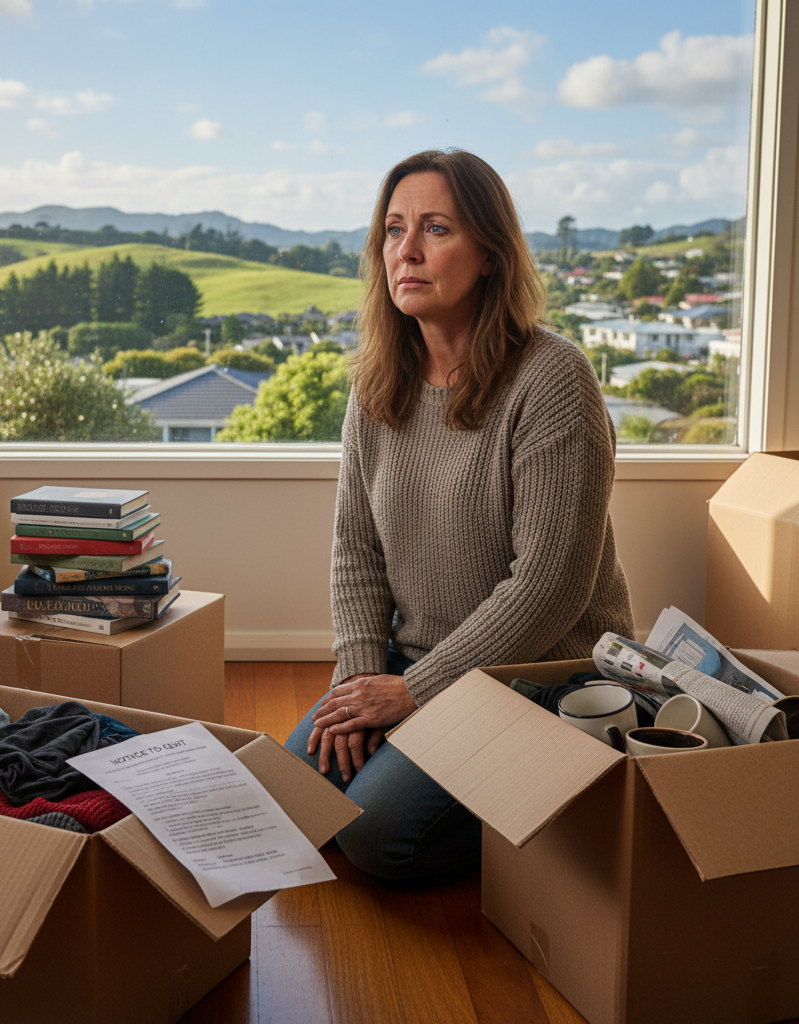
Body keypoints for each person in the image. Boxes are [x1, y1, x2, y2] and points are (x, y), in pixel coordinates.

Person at [284, 149, 635, 881]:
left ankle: (585, 799)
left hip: (537, 676)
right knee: (297, 796)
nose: (405, 252)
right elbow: (356, 550)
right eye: (392, 229)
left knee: (376, 838)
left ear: (490, 257)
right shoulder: (376, 383)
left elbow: (547, 586)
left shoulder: (552, 379)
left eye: (435, 229)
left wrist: (412, 692)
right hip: (411, 661)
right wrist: (358, 685)